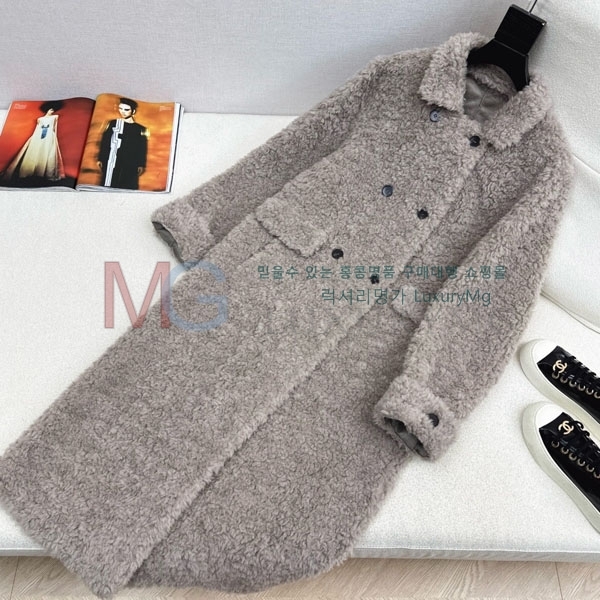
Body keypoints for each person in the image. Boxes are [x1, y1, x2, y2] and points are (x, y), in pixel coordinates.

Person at [1, 101, 66, 183]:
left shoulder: (55, 117)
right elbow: (37, 129)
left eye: (53, 110)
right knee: (35, 151)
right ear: (47, 109)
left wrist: (54, 138)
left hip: (49, 135)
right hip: (38, 135)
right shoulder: (40, 119)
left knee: (47, 151)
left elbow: (54, 128)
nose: (52, 111)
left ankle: (44, 173)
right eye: (50, 109)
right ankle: (31, 171)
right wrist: (34, 138)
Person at [97, 98, 148, 190]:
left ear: (133, 111)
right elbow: (105, 141)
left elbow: (142, 148)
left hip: (130, 162)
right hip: (113, 159)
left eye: (126, 109)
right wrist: (101, 158)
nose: (122, 112)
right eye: (120, 108)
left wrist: (141, 164)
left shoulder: (140, 129)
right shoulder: (114, 123)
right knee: (109, 183)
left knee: (127, 185)